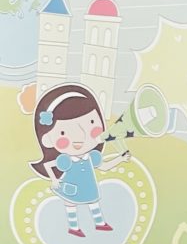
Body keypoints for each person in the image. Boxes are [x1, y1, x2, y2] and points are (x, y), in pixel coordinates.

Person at [30, 83, 131, 236]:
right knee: (70, 204)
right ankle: (73, 227)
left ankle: (100, 223)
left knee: (93, 202)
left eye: (91, 123)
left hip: (88, 187)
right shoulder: (66, 160)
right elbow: (49, 165)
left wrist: (121, 159)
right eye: (63, 132)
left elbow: (104, 166)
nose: (80, 136)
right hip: (71, 188)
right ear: (48, 139)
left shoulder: (91, 156)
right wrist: (54, 180)